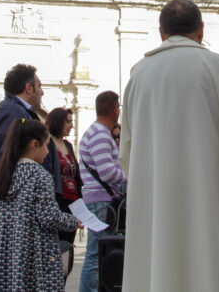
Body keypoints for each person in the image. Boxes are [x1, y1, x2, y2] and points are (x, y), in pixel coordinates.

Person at [120, 0, 219, 292]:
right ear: (201, 30)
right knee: (209, 268)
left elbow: (127, 147)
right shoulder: (217, 67)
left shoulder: (138, 75)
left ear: (161, 33)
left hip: (155, 195)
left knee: (156, 266)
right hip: (208, 193)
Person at [0, 119, 79, 292]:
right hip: (33, 253)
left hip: (4, 252)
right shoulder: (40, 176)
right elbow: (49, 217)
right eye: (46, 146)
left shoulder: (1, 175)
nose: (47, 153)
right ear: (35, 144)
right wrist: (73, 221)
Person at [0, 64, 46, 231]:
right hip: (11, 207)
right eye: (39, 86)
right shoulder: (12, 112)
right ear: (29, 88)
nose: (42, 92)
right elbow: (11, 159)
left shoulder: (15, 110)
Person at [78, 91, 126, 292]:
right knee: (95, 255)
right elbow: (106, 172)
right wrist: (128, 177)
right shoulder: (99, 134)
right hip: (100, 201)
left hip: (98, 199)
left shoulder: (96, 132)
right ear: (115, 109)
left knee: (97, 253)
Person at [47, 107, 82, 278]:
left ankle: (61, 283)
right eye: (68, 121)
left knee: (67, 251)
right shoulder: (48, 143)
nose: (71, 126)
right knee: (55, 252)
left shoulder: (67, 145)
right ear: (57, 122)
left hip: (72, 202)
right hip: (58, 201)